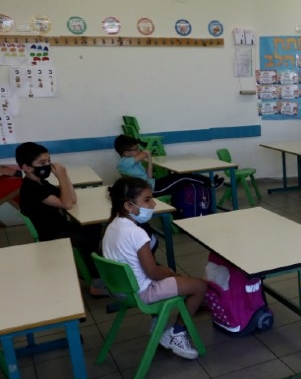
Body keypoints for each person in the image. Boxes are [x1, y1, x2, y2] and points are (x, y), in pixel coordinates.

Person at [102, 176, 207, 360]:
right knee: (199, 286)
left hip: (121, 291)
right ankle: (176, 334)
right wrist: (169, 273)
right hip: (142, 292)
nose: (153, 204)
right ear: (128, 205)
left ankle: (158, 323)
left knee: (179, 279)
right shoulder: (136, 233)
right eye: (147, 200)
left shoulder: (112, 225)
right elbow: (153, 272)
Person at [15, 142, 106, 296]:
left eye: (49, 161)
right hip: (51, 234)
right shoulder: (32, 188)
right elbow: (67, 204)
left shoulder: (41, 182)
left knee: (96, 227)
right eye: (42, 163)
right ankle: (96, 283)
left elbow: (73, 198)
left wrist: (65, 176)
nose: (48, 166)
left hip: (60, 226)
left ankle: (94, 269)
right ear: (26, 167)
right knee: (90, 238)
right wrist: (61, 177)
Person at [114, 134, 220, 196]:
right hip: (152, 190)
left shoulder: (132, 162)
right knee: (184, 177)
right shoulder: (124, 163)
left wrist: (149, 158)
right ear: (126, 152)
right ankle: (211, 184)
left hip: (153, 183)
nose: (138, 151)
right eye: (135, 149)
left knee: (182, 174)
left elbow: (149, 175)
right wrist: (145, 152)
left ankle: (210, 182)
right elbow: (141, 155)